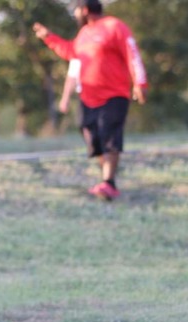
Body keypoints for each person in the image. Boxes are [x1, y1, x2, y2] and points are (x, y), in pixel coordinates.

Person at [33, 0, 148, 201]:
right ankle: (107, 178)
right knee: (92, 137)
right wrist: (49, 37)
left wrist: (140, 82)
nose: (75, 15)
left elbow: (132, 52)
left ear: (85, 10)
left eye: (76, 10)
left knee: (109, 136)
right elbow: (71, 52)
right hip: (88, 97)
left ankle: (109, 183)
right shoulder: (84, 33)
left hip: (114, 94)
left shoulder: (114, 26)